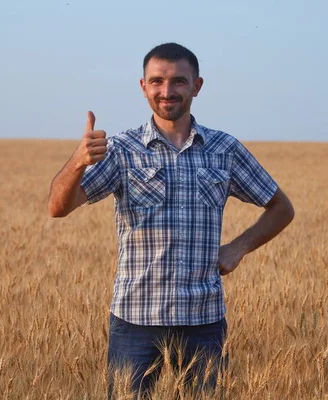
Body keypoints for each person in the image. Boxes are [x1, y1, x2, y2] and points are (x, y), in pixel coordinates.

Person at [48, 42, 294, 398]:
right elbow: (58, 207)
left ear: (197, 86)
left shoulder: (224, 149)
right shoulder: (121, 150)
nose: (167, 91)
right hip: (135, 320)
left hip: (203, 321)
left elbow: (282, 208)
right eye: (157, 81)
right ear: (143, 86)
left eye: (178, 81)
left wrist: (238, 248)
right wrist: (77, 162)